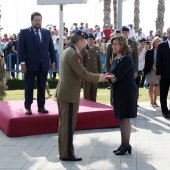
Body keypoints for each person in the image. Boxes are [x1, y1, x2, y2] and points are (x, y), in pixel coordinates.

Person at [54, 30, 108, 161]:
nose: (85, 43)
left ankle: (64, 152)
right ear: (79, 41)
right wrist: (99, 78)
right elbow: (83, 74)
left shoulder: (67, 51)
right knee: (68, 126)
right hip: (69, 95)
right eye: (84, 41)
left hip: (64, 93)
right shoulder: (74, 54)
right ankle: (67, 154)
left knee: (64, 125)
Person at [18, 12, 56, 115]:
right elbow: (20, 50)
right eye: (36, 20)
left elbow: (51, 49)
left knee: (42, 86)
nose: (38, 22)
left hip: (43, 64)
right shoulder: (24, 32)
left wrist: (53, 61)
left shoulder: (46, 33)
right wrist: (22, 63)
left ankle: (41, 106)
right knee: (29, 86)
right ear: (31, 21)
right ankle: (28, 107)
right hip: (29, 65)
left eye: (39, 20)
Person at [108, 35, 137, 155]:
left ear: (122, 45)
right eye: (112, 44)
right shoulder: (117, 58)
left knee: (124, 118)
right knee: (121, 118)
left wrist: (107, 78)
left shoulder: (126, 58)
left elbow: (118, 77)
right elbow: (112, 73)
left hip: (126, 92)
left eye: (115, 44)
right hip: (119, 91)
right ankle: (124, 144)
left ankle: (125, 145)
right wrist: (107, 76)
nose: (113, 46)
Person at [81, 34, 101, 102]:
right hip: (87, 74)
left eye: (93, 39)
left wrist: (99, 72)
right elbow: (82, 62)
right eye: (90, 39)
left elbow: (98, 62)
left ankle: (94, 108)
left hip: (95, 73)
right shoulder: (84, 49)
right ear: (87, 40)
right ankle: (87, 109)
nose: (92, 41)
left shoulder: (97, 49)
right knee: (87, 92)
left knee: (94, 92)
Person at [144, 37, 162, 108]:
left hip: (160, 71)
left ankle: (155, 101)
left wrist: (159, 71)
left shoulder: (162, 51)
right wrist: (156, 70)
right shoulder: (149, 51)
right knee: (152, 86)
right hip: (151, 71)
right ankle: (151, 101)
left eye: (158, 42)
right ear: (153, 43)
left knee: (157, 86)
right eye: (155, 42)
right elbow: (149, 62)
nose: (157, 43)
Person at [156, 27, 170, 118]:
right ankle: (165, 111)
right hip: (164, 75)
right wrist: (158, 73)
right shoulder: (162, 45)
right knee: (163, 94)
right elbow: (158, 60)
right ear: (167, 34)